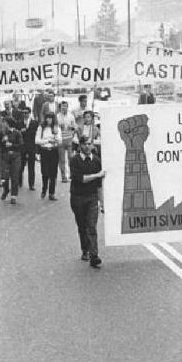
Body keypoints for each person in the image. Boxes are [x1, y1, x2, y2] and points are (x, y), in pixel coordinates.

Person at [69, 136, 106, 268]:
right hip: (78, 197)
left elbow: (99, 185)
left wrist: (102, 202)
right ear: (80, 146)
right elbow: (82, 179)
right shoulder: (74, 161)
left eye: (89, 143)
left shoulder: (96, 161)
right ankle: (85, 249)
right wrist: (97, 175)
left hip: (92, 197)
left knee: (91, 226)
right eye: (84, 144)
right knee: (82, 226)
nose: (87, 146)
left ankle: (94, 255)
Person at [35, 112, 62, 200]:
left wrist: (55, 137)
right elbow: (37, 140)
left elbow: (60, 141)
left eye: (50, 118)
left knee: (53, 173)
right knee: (45, 172)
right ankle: (44, 189)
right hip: (44, 151)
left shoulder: (56, 128)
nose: (49, 120)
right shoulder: (41, 128)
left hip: (53, 151)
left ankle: (51, 193)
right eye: (47, 118)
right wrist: (47, 141)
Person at [0, 117, 23, 204]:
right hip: (5, 157)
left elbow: (21, 145)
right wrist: (2, 141)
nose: (3, 124)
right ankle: (6, 189)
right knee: (4, 176)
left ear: (8, 124)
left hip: (15, 157)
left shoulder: (17, 133)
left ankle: (13, 196)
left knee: (15, 176)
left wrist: (12, 145)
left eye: (4, 123)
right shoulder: (2, 133)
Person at [18, 106, 38, 190]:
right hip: (22, 147)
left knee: (31, 166)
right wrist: (20, 131)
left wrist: (36, 149)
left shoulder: (34, 122)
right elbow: (16, 134)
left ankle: (31, 184)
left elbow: (36, 135)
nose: (24, 114)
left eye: (26, 113)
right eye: (23, 113)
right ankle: (19, 182)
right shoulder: (19, 122)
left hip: (31, 147)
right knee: (20, 165)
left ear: (29, 113)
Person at [56, 100, 76, 182]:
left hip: (69, 139)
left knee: (70, 158)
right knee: (62, 159)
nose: (64, 108)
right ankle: (63, 176)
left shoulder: (71, 116)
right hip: (61, 140)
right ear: (60, 107)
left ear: (67, 107)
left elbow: (75, 127)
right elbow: (54, 128)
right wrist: (59, 127)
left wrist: (71, 128)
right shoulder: (57, 116)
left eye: (65, 106)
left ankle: (72, 175)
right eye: (62, 107)